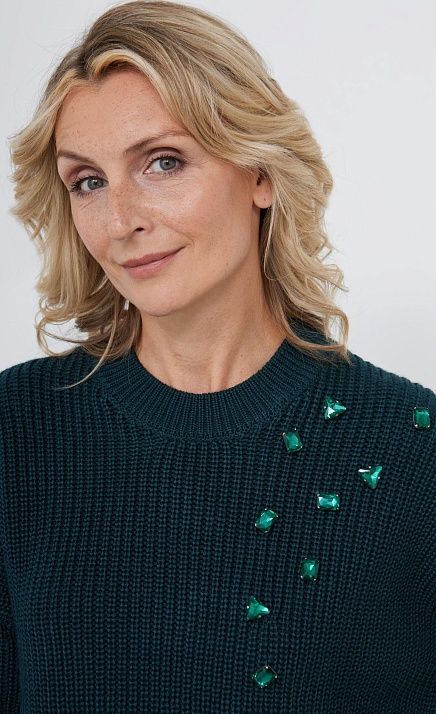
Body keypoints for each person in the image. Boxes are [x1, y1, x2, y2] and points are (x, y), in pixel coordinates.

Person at [1, 1, 434, 711]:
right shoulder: (15, 431)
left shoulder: (412, 449)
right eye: (88, 181)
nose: (121, 221)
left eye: (163, 163)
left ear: (260, 171)